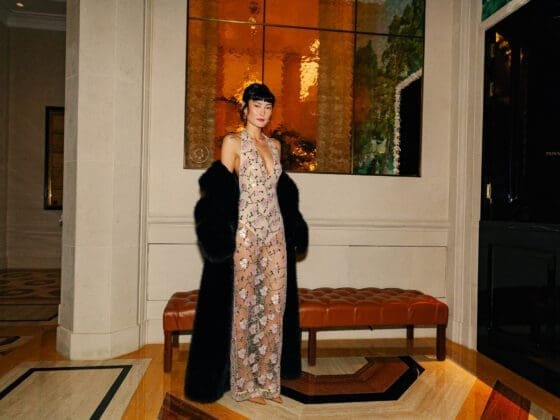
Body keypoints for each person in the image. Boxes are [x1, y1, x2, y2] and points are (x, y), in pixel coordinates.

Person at [185, 83, 308, 404]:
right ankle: (245, 383)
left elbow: (280, 193)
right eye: (257, 105)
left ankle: (268, 380)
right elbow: (220, 194)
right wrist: (219, 235)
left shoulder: (275, 146)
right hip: (246, 234)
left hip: (275, 234)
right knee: (244, 308)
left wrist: (295, 226)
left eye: (268, 107)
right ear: (245, 108)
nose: (263, 112)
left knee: (273, 306)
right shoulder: (232, 143)